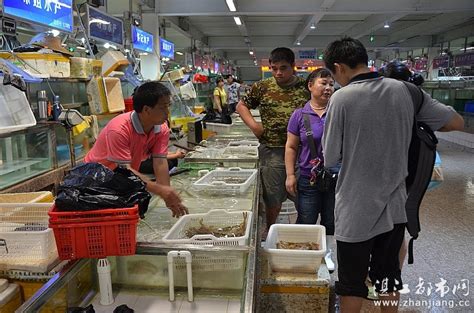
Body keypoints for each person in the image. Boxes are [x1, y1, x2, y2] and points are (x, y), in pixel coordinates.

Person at [322, 37, 464, 312]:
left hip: (355, 208)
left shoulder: (341, 98)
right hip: (395, 208)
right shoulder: (407, 92)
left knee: (351, 282)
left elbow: (330, 158)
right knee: (388, 278)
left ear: (338, 67)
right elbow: (454, 122)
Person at [85, 81, 188, 218]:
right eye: (163, 107)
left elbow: (160, 163)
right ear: (146, 109)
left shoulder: (161, 128)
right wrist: (160, 190)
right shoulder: (119, 129)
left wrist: (168, 197)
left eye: (168, 106)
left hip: (123, 178)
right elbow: (124, 171)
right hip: (96, 179)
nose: (167, 112)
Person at [236, 47, 309, 231]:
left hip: (302, 152)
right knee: (272, 198)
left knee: (303, 199)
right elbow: (241, 106)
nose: (278, 73)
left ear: (294, 66)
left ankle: (301, 233)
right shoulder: (262, 87)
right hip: (273, 151)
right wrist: (255, 127)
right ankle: (270, 232)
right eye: (274, 68)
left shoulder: (305, 87)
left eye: (283, 68)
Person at [284, 68, 336, 271]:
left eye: (331, 84)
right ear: (310, 86)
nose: (328, 88)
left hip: (335, 176)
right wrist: (290, 175)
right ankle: (305, 253)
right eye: (323, 83)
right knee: (307, 216)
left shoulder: (338, 112)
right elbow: (291, 146)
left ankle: (327, 254)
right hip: (308, 177)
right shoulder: (299, 115)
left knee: (330, 218)